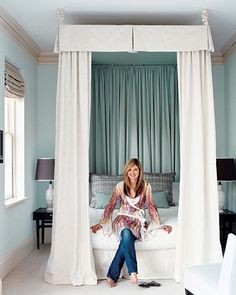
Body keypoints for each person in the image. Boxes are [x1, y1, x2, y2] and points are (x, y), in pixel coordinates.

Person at [90, 158, 172, 288]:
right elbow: (110, 206)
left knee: (125, 241)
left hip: (137, 222)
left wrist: (159, 225)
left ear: (139, 171)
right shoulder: (120, 186)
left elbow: (151, 207)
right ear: (126, 171)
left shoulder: (146, 187)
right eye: (130, 169)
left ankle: (112, 275)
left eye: (135, 169)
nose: (132, 172)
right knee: (126, 234)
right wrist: (102, 223)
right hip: (122, 219)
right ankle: (133, 272)